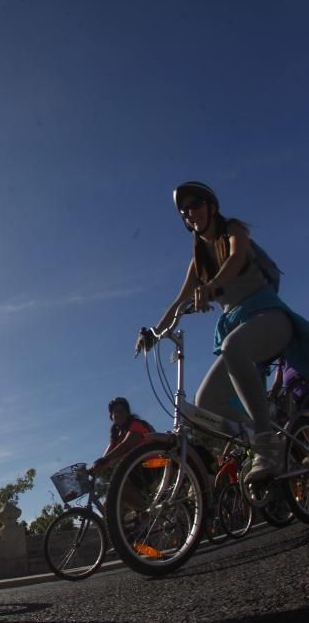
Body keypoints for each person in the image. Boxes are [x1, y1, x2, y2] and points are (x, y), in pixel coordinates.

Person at [139, 182, 309, 483]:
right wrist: (154, 333)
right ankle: (265, 431)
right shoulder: (198, 263)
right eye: (184, 210)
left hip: (269, 317)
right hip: (239, 330)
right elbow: (178, 302)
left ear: (211, 207)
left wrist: (211, 287)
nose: (190, 213)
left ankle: (265, 444)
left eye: (195, 205)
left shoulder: (234, 230)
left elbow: (236, 259)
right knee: (206, 403)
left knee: (232, 347)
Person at [91, 397, 153, 473]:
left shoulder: (136, 424)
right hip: (135, 469)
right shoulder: (116, 435)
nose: (119, 413)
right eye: (116, 411)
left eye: (122, 410)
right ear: (111, 416)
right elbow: (106, 458)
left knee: (121, 474)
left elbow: (126, 445)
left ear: (127, 413)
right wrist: (92, 470)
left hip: (152, 465)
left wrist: (103, 461)